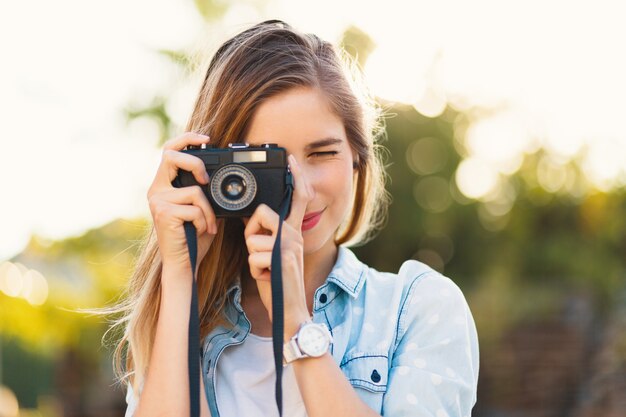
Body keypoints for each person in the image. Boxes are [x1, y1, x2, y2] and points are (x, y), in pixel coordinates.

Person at [112, 19, 479, 417]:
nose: (298, 190)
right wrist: (180, 277)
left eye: (322, 154)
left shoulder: (417, 308)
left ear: (358, 159)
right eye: (267, 165)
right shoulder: (184, 319)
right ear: (218, 174)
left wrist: (295, 325)